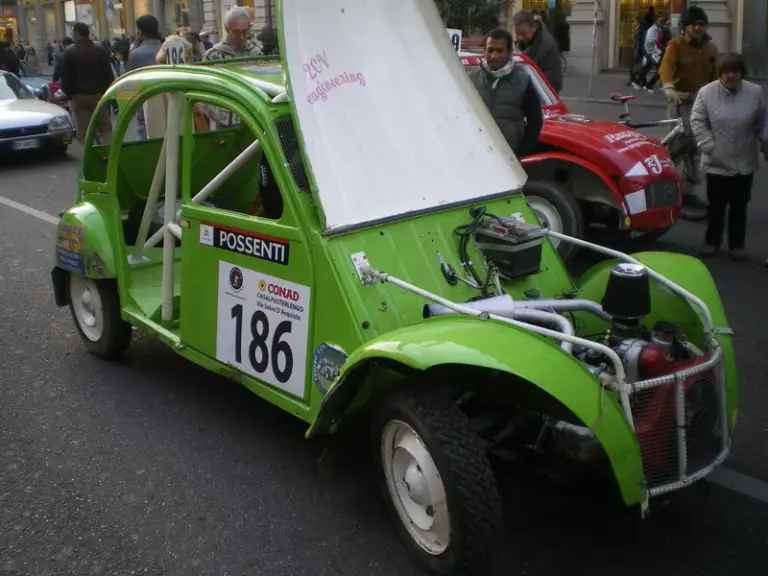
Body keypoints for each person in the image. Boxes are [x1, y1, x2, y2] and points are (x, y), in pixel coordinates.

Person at [690, 53, 768, 260]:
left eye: (734, 71)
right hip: (717, 160)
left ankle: (737, 245)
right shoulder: (707, 93)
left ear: (742, 73)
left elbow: (762, 119)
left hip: (744, 159)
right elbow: (697, 120)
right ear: (720, 73)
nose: (730, 76)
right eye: (726, 71)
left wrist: (765, 140)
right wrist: (709, 146)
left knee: (739, 205)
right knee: (716, 205)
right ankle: (712, 242)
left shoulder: (755, 92)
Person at [659, 5, 719, 212]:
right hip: (679, 99)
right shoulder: (675, 45)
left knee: (694, 146)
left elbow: (716, 76)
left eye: (701, 24)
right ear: (685, 27)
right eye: (693, 24)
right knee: (678, 145)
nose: (697, 27)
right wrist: (668, 87)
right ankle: (663, 185)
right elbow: (665, 68)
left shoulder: (711, 48)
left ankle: (688, 192)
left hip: (702, 101)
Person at [468, 28, 543, 159]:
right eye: (490, 50)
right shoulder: (470, 79)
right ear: (484, 50)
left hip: (509, 155)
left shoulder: (522, 80)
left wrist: (520, 153)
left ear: (509, 52)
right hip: (476, 153)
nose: (494, 56)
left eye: (499, 51)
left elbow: (535, 120)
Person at [59, 22, 114, 145]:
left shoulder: (69, 53)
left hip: (79, 97)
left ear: (76, 33)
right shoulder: (99, 50)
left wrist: (70, 95)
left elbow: (65, 78)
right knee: (104, 129)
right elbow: (108, 75)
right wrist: (106, 93)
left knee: (83, 131)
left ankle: (90, 156)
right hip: (99, 96)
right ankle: (106, 154)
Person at [512, 10, 562, 93]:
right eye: (517, 34)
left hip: (543, 93)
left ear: (533, 27)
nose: (520, 38)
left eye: (523, 33)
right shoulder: (529, 41)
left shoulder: (546, 44)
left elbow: (554, 79)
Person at [634, 14, 665, 92]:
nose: (660, 22)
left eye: (662, 20)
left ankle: (638, 82)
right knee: (661, 70)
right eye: (659, 20)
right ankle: (648, 85)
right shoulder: (652, 30)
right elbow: (648, 42)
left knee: (647, 68)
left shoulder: (659, 29)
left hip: (655, 52)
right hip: (652, 52)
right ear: (656, 21)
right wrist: (651, 52)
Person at [628, 8, 654, 87]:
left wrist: (639, 50)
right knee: (641, 66)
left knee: (635, 66)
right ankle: (642, 81)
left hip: (641, 50)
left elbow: (641, 40)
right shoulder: (646, 27)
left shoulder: (643, 28)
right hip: (643, 50)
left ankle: (635, 81)